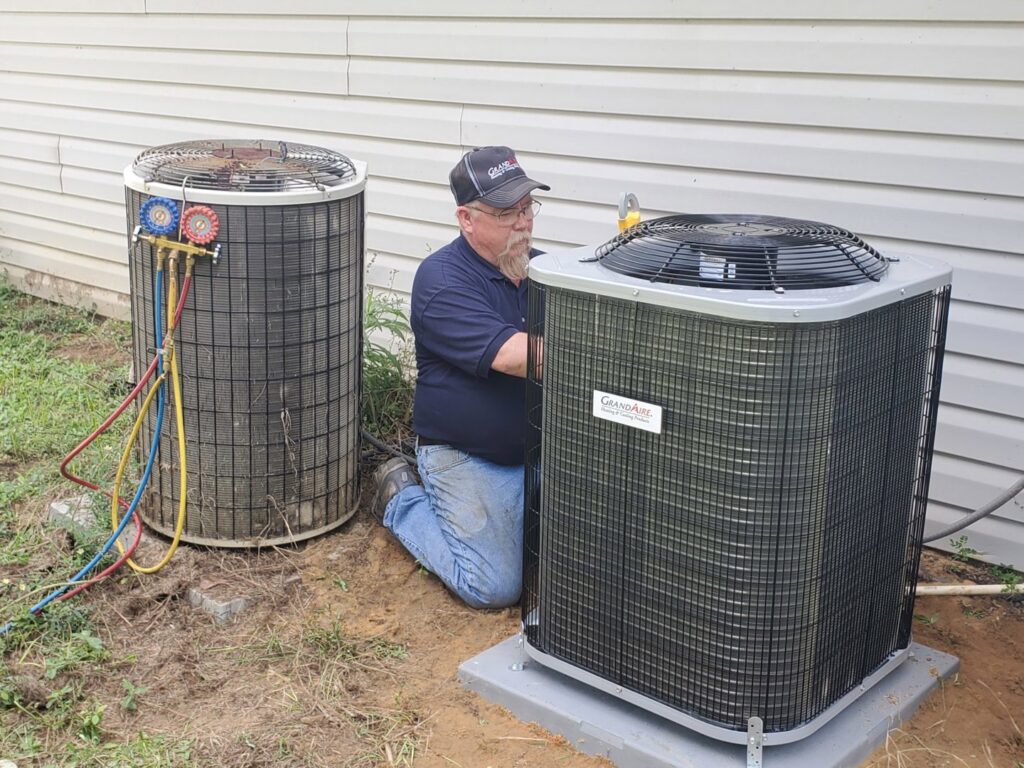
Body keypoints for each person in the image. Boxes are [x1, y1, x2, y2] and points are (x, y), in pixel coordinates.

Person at [370, 146, 549, 609]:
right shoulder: (442, 280)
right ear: (466, 219)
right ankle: (401, 499)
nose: (523, 223)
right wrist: (603, 351)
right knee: (493, 587)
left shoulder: (543, 270)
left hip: (539, 450)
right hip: (468, 457)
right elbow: (515, 356)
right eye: (507, 213)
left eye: (527, 208)